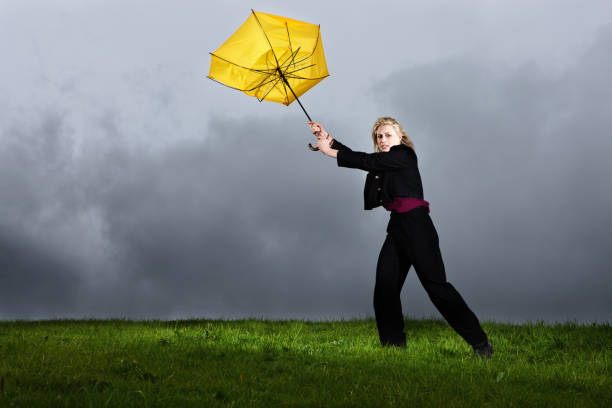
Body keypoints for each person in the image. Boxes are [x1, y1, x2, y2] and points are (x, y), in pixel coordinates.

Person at [309, 117, 493, 358]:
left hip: (417, 226)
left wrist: (330, 153)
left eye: (387, 135)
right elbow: (364, 158)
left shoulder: (404, 155)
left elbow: (367, 160)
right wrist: (327, 139)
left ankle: (480, 343)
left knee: (437, 288)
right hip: (397, 227)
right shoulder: (385, 162)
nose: (382, 139)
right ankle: (393, 349)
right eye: (378, 136)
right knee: (385, 288)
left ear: (400, 136)